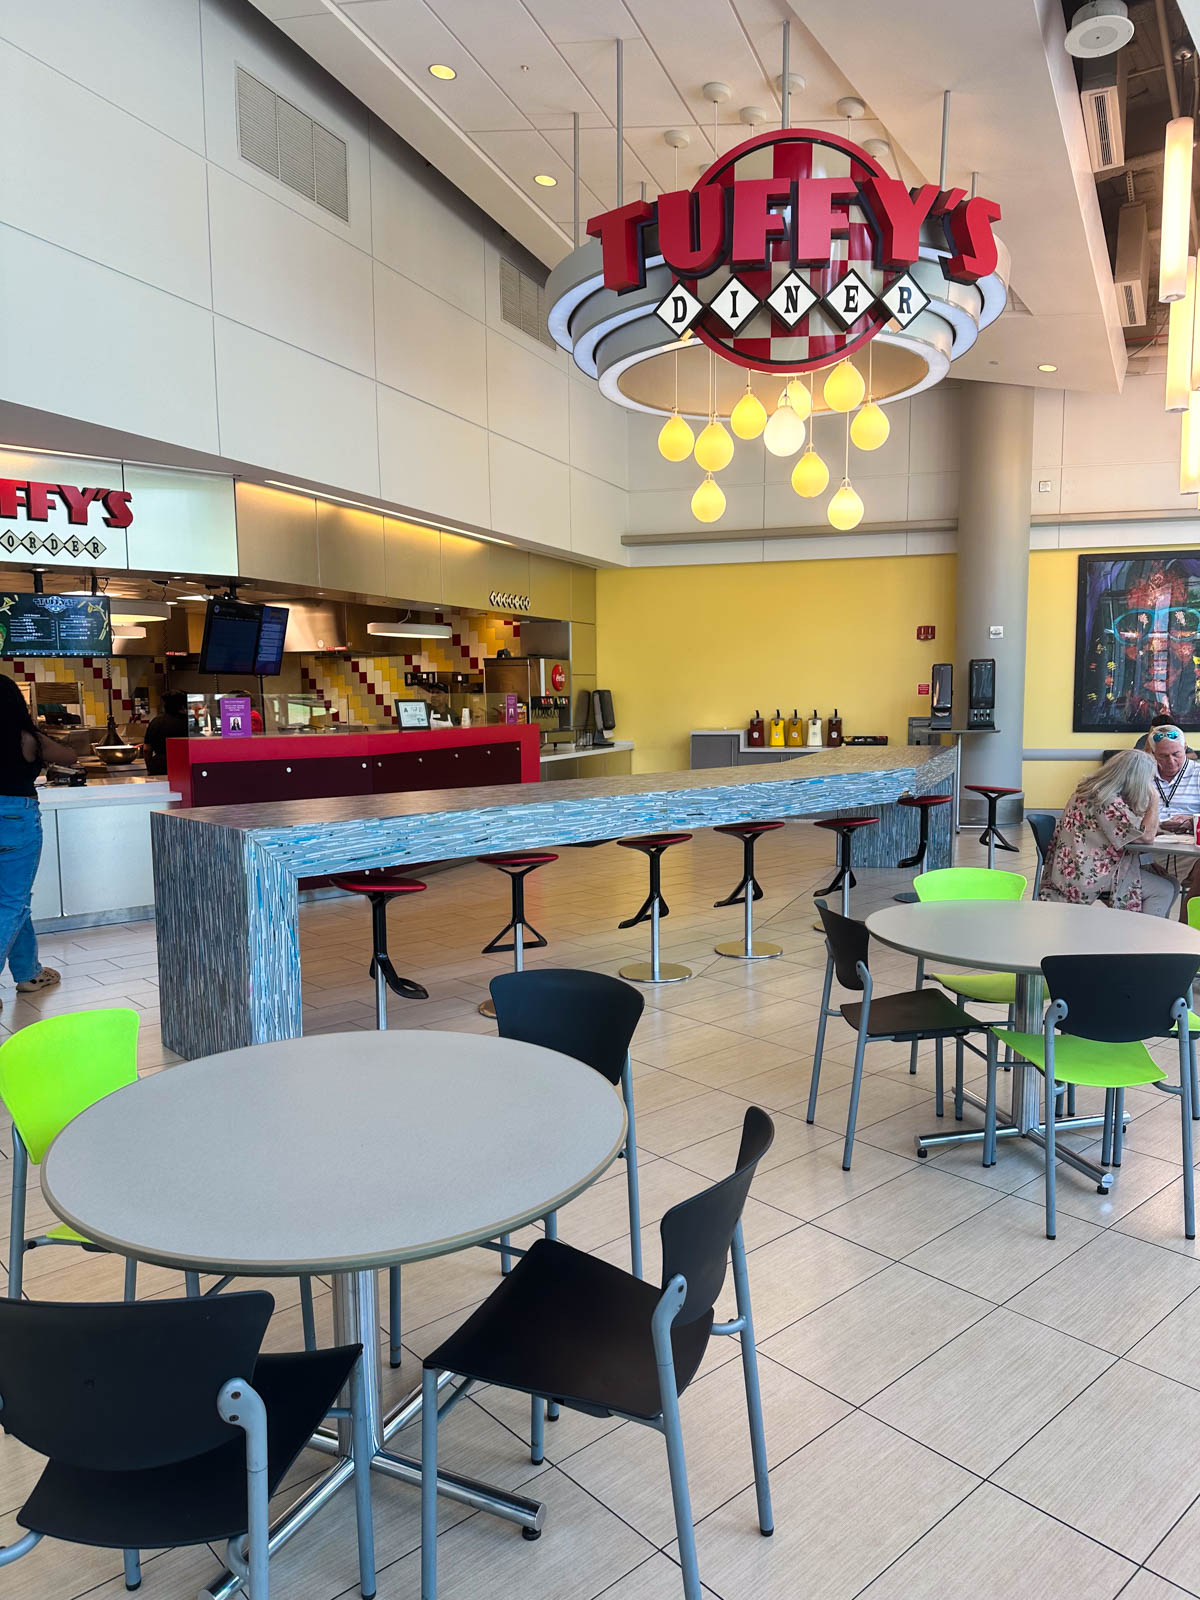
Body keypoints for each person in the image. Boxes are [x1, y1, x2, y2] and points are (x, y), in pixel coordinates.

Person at [0, 675, 79, 1010]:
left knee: (15, 901)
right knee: (12, 902)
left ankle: (29, 973)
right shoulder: (27, 738)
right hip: (16, 817)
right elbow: (71, 756)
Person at [1038, 747, 1168, 914]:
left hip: (1070, 868)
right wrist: (1154, 800)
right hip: (1085, 876)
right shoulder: (1107, 801)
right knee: (1164, 889)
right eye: (1148, 781)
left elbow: (1131, 831)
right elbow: (1146, 837)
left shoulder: (1093, 792)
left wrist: (1149, 862)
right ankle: (1144, 935)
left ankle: (1132, 929)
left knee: (1168, 881)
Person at [141, 691, 189, 776]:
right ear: (182, 706)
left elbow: (146, 749)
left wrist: (150, 767)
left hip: (159, 766)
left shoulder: (156, 722)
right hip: (183, 766)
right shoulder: (188, 722)